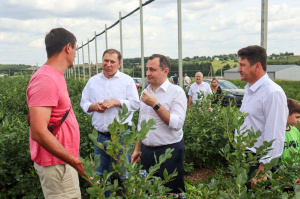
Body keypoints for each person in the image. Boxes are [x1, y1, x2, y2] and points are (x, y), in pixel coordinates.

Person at [27, 28, 87, 199]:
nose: (75, 54)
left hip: (63, 162)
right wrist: (75, 161)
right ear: (68, 48)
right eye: (76, 49)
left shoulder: (55, 76)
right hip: (57, 165)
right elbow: (38, 131)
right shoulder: (46, 79)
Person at [80, 49, 139, 197]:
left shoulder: (127, 81)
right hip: (100, 137)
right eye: (106, 60)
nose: (108, 64)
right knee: (100, 175)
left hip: (122, 136)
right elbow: (84, 103)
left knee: (125, 175)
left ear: (119, 63)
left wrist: (116, 102)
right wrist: (94, 107)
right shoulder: (93, 81)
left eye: (112, 61)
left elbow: (135, 104)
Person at [131, 54, 187, 195]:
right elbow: (141, 122)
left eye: (153, 69)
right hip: (147, 152)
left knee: (171, 193)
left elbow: (177, 123)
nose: (148, 73)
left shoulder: (177, 92)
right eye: (147, 69)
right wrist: (138, 148)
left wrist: (155, 104)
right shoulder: (145, 92)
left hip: (169, 152)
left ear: (165, 71)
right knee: (149, 192)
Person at [235, 45, 288, 189]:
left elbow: (275, 136)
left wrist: (262, 171)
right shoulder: (249, 89)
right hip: (247, 159)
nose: (239, 69)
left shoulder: (272, 93)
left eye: (242, 65)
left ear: (257, 66)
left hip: (260, 163)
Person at [281, 98, 300, 184]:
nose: (298, 120)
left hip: (294, 177)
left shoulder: (295, 131)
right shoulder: (276, 132)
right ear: (286, 114)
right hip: (280, 177)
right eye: (297, 117)